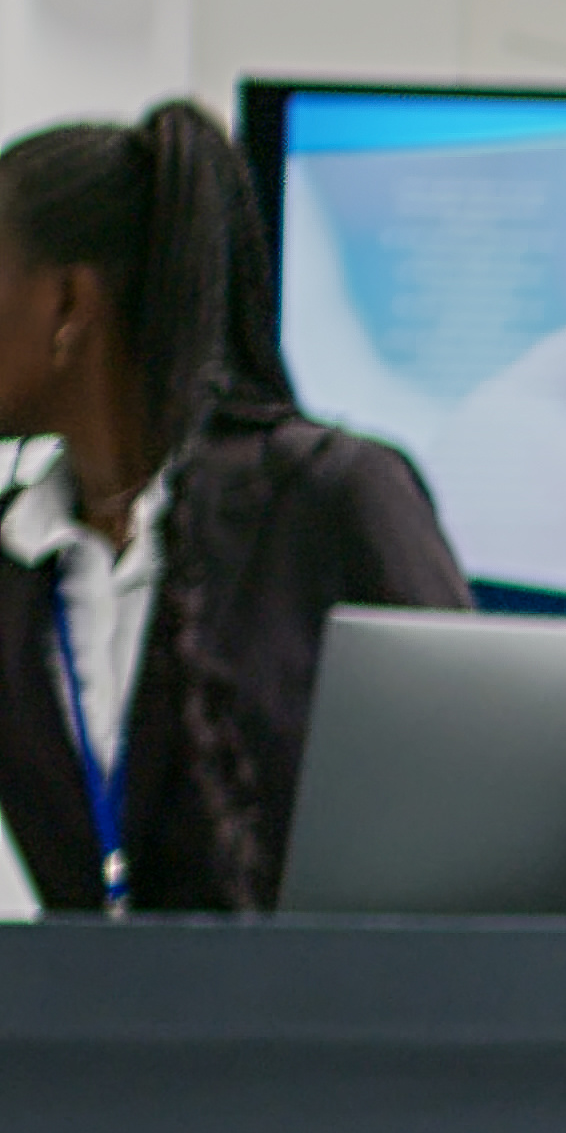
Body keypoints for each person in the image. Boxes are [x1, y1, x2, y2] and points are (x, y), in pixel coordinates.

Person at [0, 99, 466, 914]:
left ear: (70, 306)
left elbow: (484, 807)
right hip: (91, 1035)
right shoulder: (14, 557)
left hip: (334, 1027)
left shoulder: (328, 500)